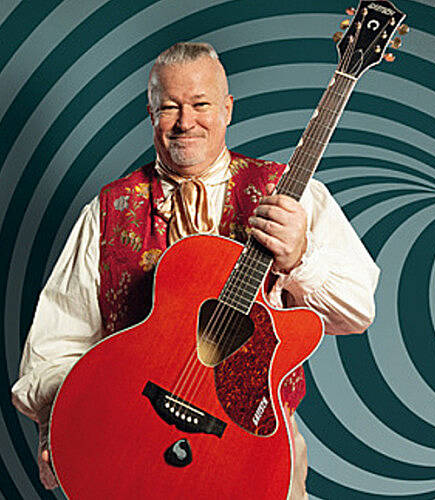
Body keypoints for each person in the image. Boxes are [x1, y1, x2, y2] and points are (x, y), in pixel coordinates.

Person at [11, 42, 379, 498]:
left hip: (254, 454)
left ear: (227, 109)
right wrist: (62, 421)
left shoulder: (291, 197)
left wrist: (301, 256)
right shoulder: (108, 211)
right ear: (151, 113)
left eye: (201, 104)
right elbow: (55, 346)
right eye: (170, 107)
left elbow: (357, 311)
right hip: (127, 450)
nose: (186, 122)